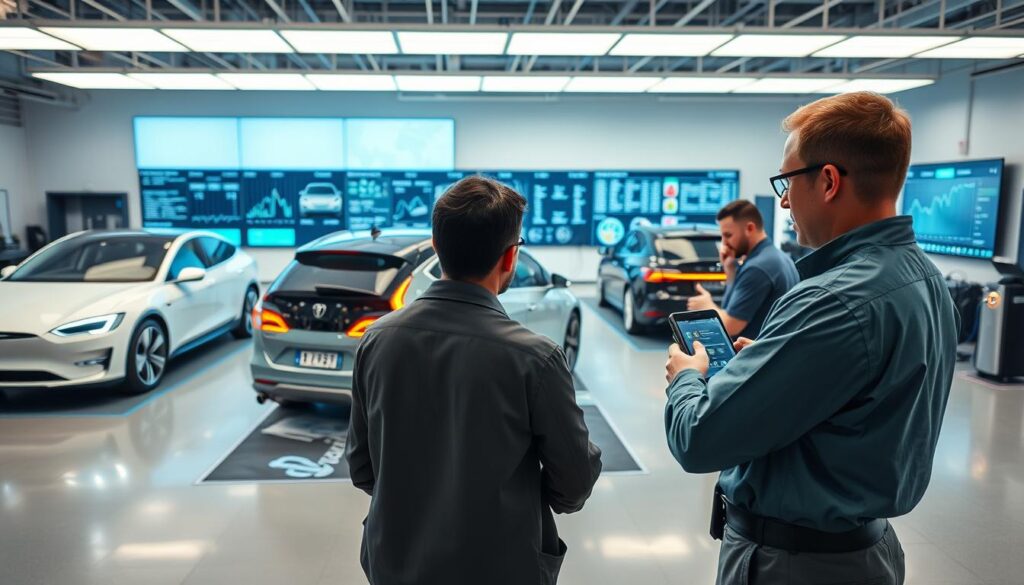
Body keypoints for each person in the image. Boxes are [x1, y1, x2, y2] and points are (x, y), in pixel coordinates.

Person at [663, 92, 960, 585]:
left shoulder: (831, 301)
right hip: (866, 552)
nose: (782, 199)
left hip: (797, 566)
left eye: (786, 181)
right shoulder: (924, 279)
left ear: (827, 181)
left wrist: (687, 381)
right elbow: (861, 397)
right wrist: (775, 364)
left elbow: (699, 439)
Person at [345, 175, 602, 585]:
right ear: (509, 258)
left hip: (395, 564)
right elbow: (572, 487)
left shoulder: (377, 340)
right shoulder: (537, 358)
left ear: (436, 246)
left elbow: (362, 467)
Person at [687, 200, 799, 338]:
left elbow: (730, 326)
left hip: (756, 356)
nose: (724, 243)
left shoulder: (757, 268)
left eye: (728, 235)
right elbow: (730, 310)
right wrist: (730, 269)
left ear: (750, 228)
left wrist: (707, 306)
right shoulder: (776, 257)